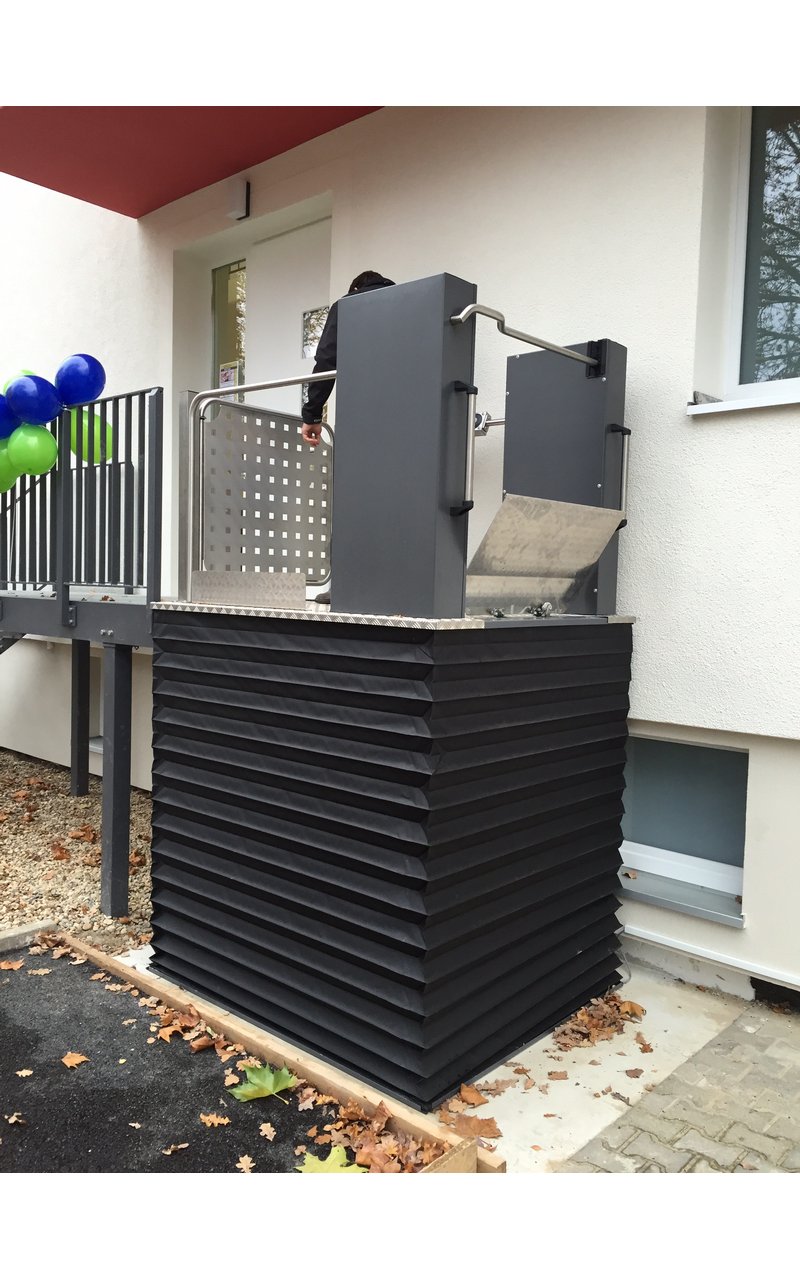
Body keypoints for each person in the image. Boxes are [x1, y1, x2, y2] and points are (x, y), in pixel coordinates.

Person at [301, 270, 395, 446]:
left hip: (360, 406)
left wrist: (312, 414)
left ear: (356, 289)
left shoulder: (346, 306)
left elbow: (327, 359)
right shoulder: (406, 302)